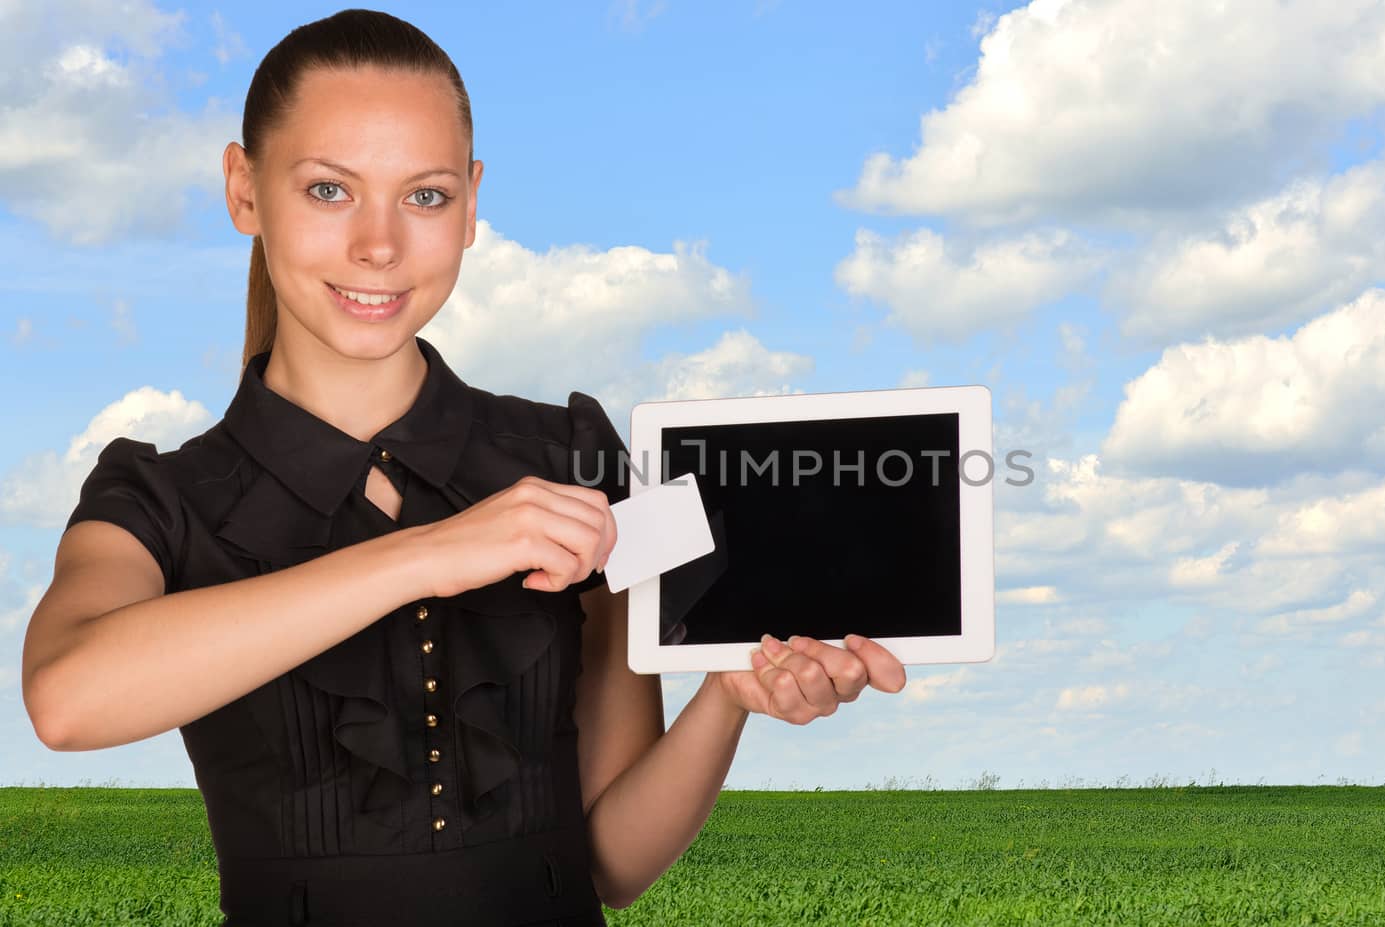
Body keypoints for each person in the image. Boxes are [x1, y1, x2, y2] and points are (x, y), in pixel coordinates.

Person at [19, 9, 907, 926]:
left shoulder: (571, 459)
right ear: (244, 189)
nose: (379, 246)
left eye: (426, 196)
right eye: (330, 190)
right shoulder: (158, 497)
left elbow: (612, 863)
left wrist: (726, 698)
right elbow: (67, 699)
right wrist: (432, 553)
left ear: (473, 202)